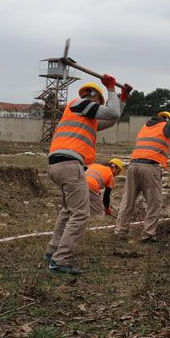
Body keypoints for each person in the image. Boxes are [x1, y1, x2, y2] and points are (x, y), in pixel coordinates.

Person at [45, 76, 130, 274]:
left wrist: (123, 98)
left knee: (68, 210)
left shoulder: (82, 117)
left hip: (59, 165)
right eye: (100, 103)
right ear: (94, 98)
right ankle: (59, 260)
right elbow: (111, 110)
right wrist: (110, 88)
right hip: (69, 164)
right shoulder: (80, 104)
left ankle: (52, 251)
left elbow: (113, 117)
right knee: (81, 214)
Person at [114, 111, 170, 243]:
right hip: (149, 167)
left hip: (133, 166)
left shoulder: (145, 127)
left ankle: (120, 231)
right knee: (154, 203)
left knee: (128, 200)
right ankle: (148, 234)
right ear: (168, 120)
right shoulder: (166, 126)